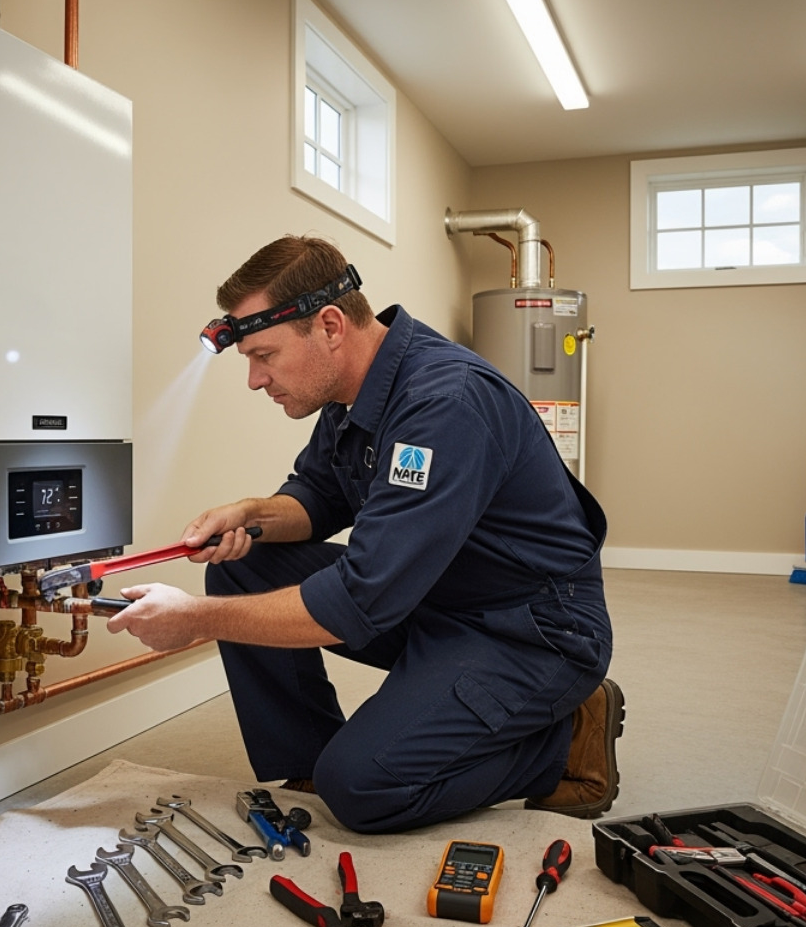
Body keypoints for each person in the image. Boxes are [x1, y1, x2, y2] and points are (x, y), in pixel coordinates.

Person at [108, 235, 622, 833]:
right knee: (239, 566)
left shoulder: (444, 404)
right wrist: (251, 513)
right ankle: (308, 764)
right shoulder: (354, 392)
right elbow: (319, 496)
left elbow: (359, 601)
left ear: (329, 326)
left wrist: (195, 619)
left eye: (265, 355)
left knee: (363, 788)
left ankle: (562, 740)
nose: (254, 379)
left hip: (529, 630)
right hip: (436, 599)